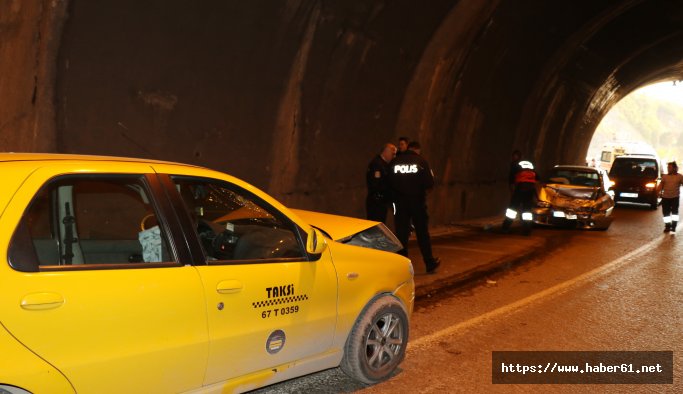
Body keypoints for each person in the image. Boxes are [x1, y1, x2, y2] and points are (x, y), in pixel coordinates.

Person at [389, 141, 440, 273]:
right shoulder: (421, 162)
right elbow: (429, 183)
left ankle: (402, 266)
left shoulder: (395, 162)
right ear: (417, 150)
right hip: (417, 203)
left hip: (400, 204)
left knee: (401, 234)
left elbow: (388, 182)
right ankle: (429, 262)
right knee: (422, 233)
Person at [502, 160, 538, 235]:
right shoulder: (532, 169)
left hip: (520, 189)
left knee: (512, 210)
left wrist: (513, 192)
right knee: (527, 212)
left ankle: (505, 228)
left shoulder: (516, 168)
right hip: (529, 192)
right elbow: (536, 181)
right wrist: (536, 196)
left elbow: (512, 181)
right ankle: (527, 230)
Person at [365, 143, 397, 223]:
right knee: (376, 225)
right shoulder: (377, 164)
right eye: (392, 154)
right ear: (386, 151)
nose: (393, 157)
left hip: (381, 200)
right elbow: (376, 184)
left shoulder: (384, 164)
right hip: (376, 202)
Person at [660, 161, 683, 233]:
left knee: (674, 213)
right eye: (667, 167)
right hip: (665, 197)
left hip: (675, 198)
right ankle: (667, 226)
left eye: (669, 167)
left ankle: (673, 227)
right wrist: (656, 192)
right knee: (666, 213)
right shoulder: (665, 176)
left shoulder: (680, 176)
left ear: (674, 168)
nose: (668, 169)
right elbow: (661, 185)